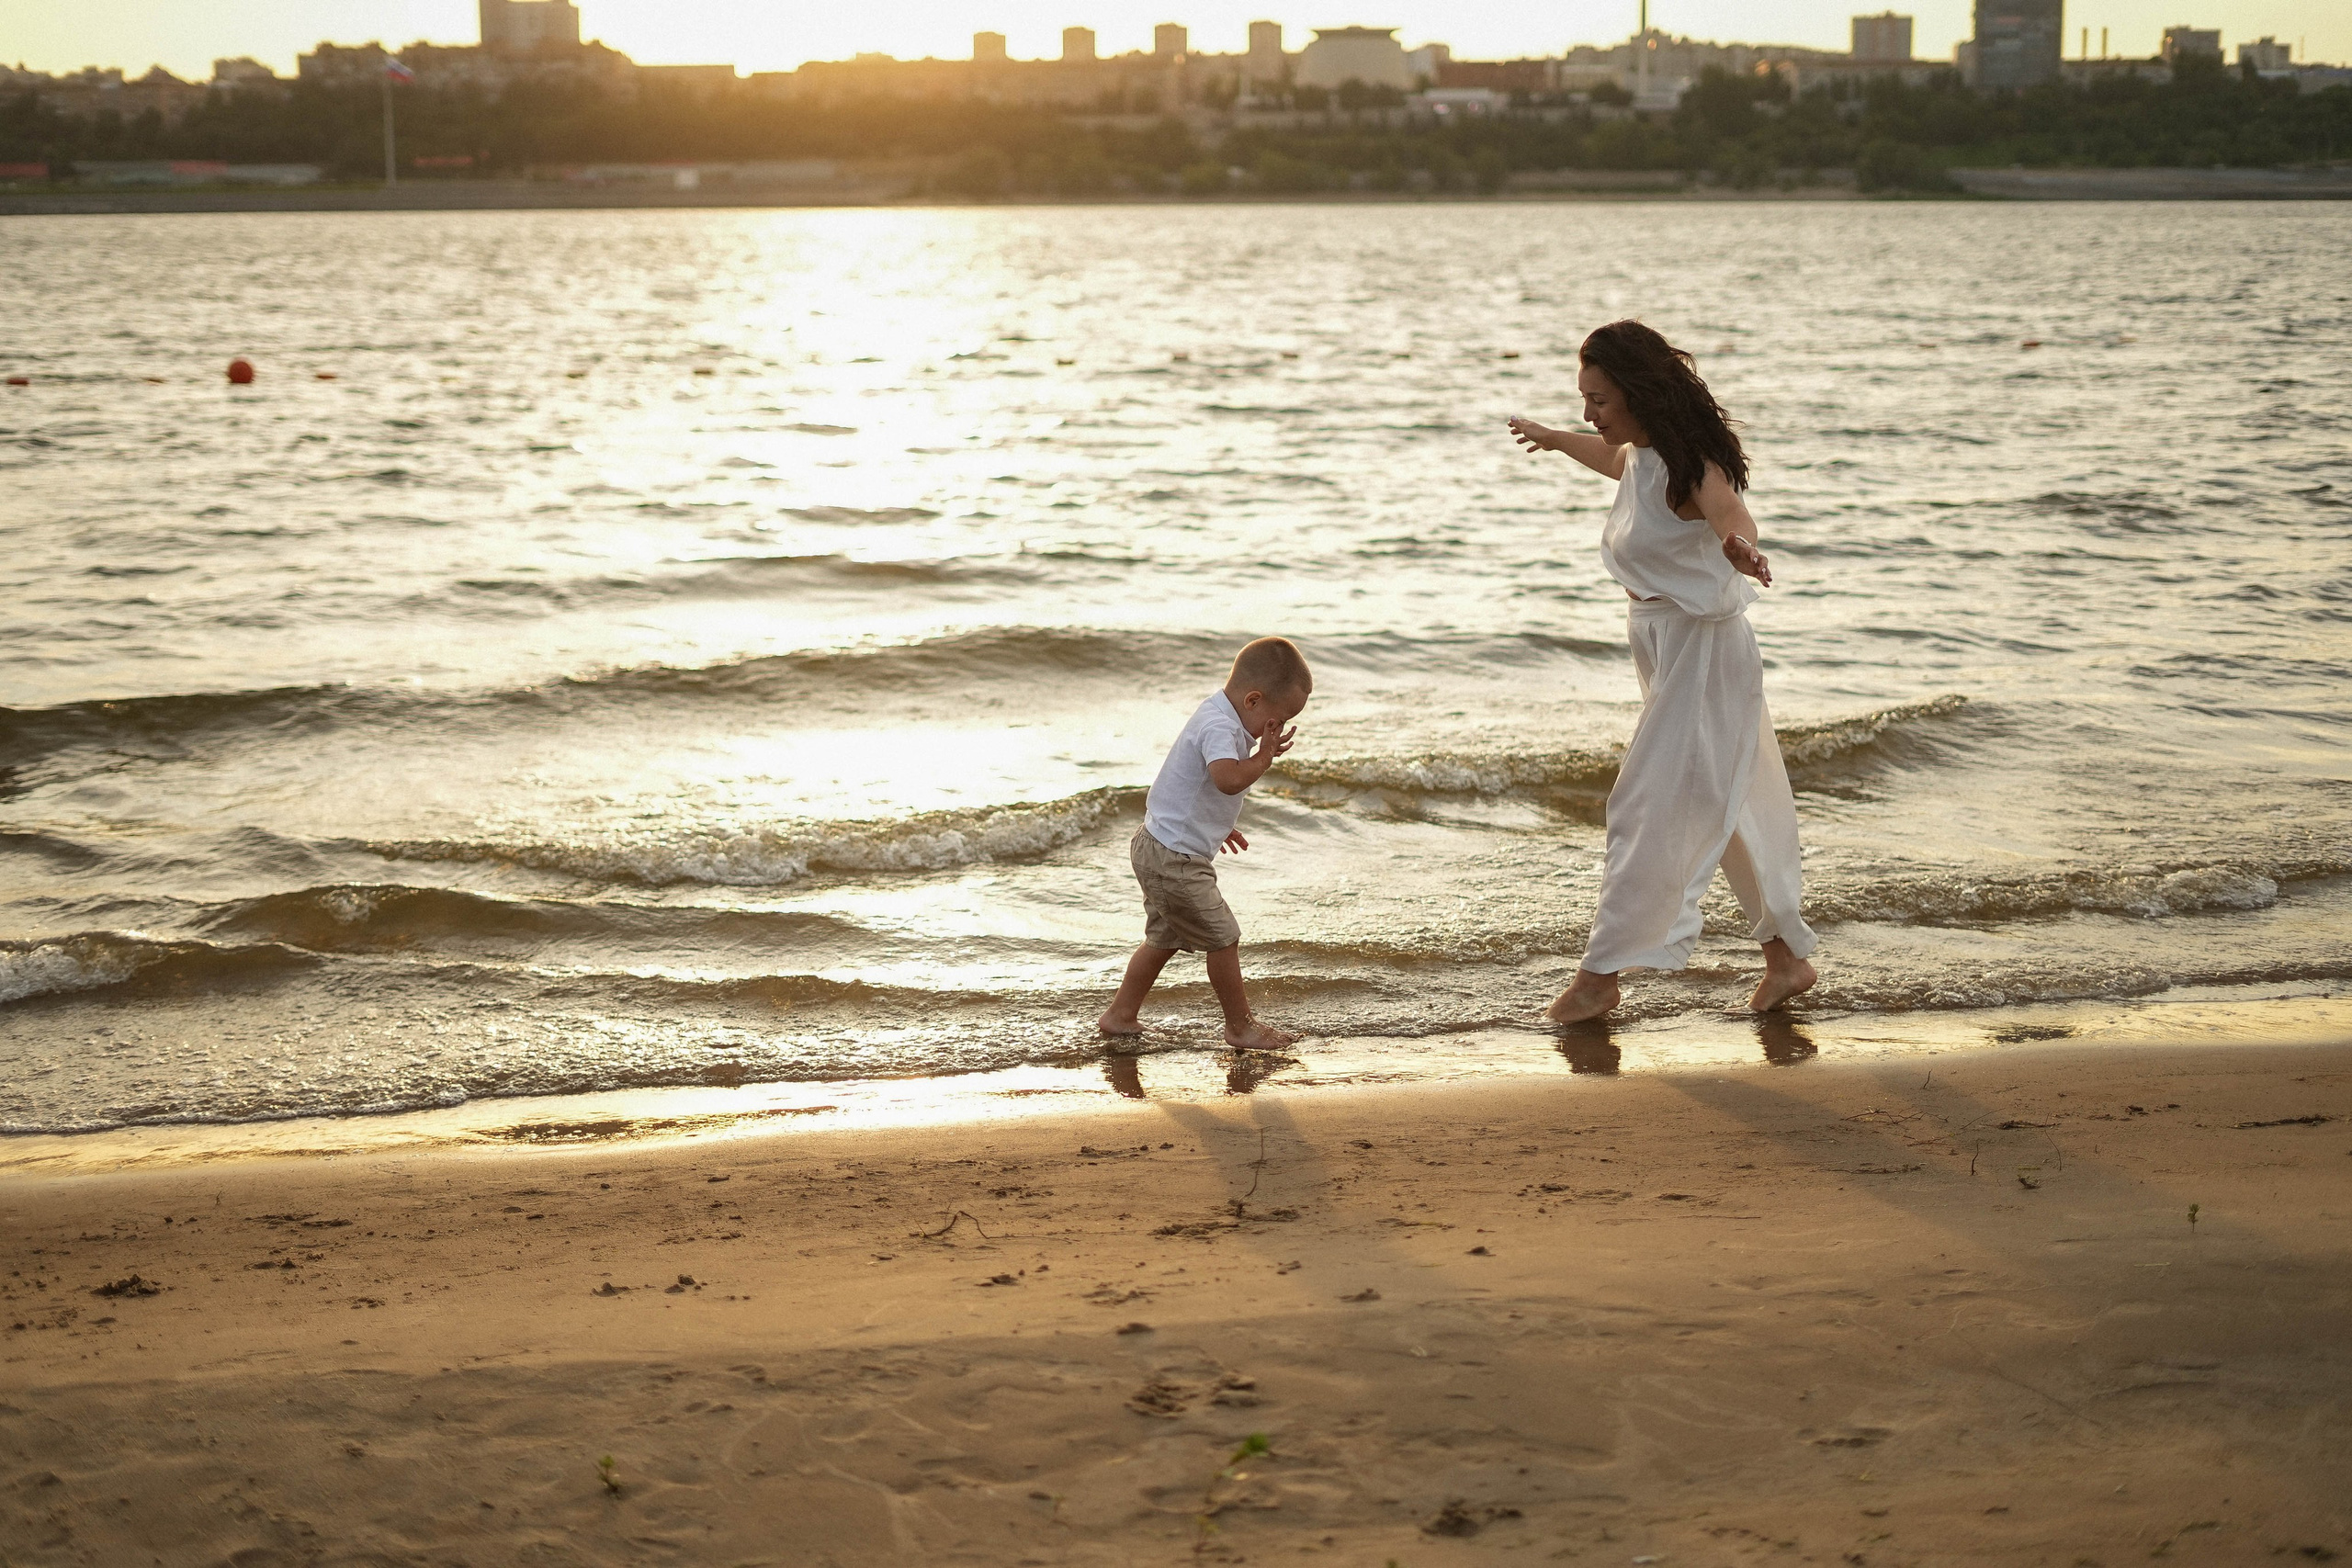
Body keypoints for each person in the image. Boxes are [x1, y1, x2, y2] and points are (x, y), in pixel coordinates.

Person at [1507, 320, 1818, 1022]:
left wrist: (1740, 548)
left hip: (1702, 649)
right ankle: (1788, 960)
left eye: (1601, 401)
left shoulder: (1690, 463)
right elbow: (1610, 459)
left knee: (1644, 805)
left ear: (1641, 393)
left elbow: (1730, 511)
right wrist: (1558, 440)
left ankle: (1599, 977)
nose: (1591, 414)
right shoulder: (1640, 454)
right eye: (1583, 399)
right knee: (1736, 803)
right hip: (1664, 645)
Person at [1097, 637, 1311, 1051]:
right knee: (1223, 937)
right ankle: (1240, 1026)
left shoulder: (1216, 713)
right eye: (1277, 720)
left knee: (1162, 940)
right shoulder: (1220, 727)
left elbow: (1194, 787)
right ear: (1253, 701)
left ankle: (1120, 1015)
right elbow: (1226, 779)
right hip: (1175, 858)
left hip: (1160, 844)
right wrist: (1264, 758)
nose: (1276, 730)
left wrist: (1214, 824)